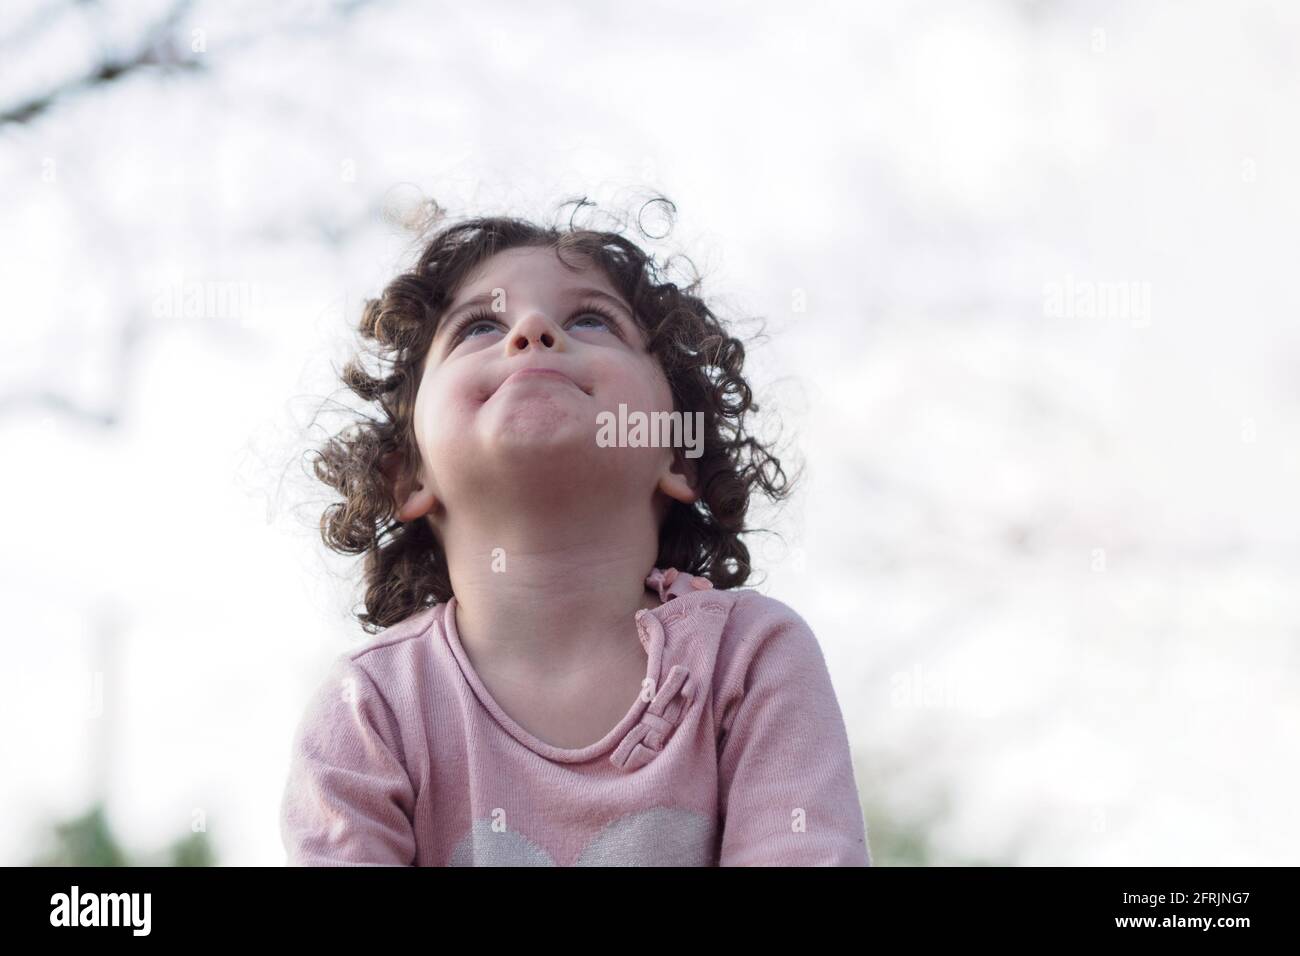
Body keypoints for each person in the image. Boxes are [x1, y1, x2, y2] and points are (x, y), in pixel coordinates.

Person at [279, 201, 872, 866]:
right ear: (409, 475)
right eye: (478, 326)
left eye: (591, 319)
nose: (531, 328)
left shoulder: (751, 659)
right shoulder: (371, 710)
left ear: (676, 453)